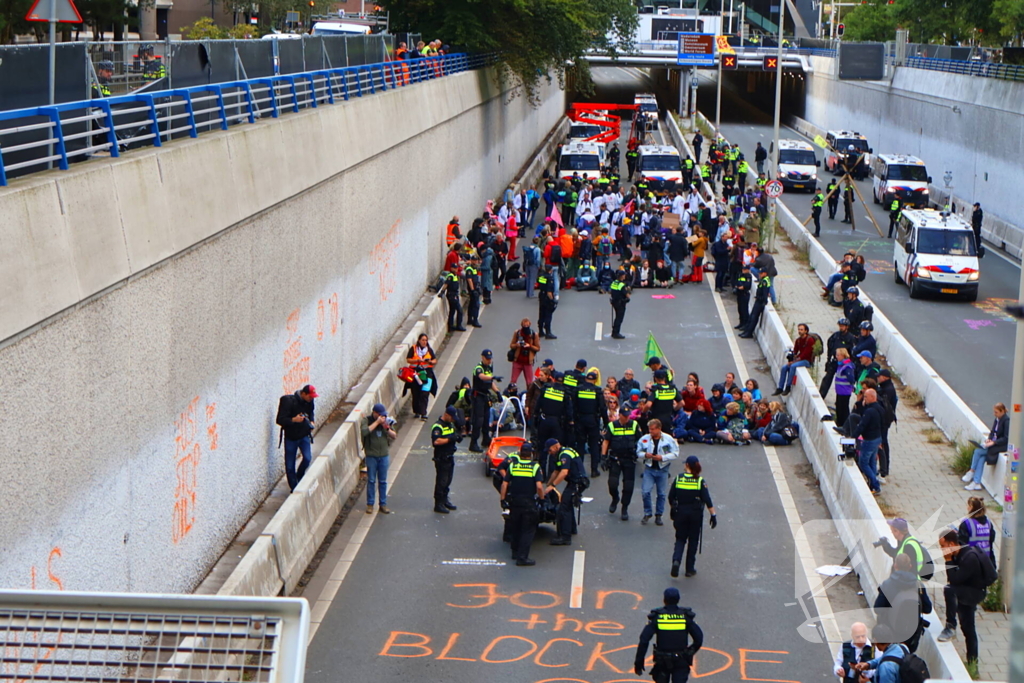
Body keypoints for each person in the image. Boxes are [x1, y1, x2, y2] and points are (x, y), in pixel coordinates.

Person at [937, 528, 995, 665]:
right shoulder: (959, 552)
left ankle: (950, 627)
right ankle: (972, 663)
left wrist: (948, 560)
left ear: (951, 545)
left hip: (975, 592)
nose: (942, 550)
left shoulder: (969, 557)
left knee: (949, 590)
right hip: (965, 589)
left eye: (943, 546)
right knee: (968, 628)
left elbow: (954, 580)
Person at [633, 587, 703, 683]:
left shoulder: (658, 617)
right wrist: (688, 653)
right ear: (678, 599)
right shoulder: (685, 617)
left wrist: (639, 662)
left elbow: (644, 640)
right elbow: (699, 639)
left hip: (662, 661)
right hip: (681, 661)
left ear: (664, 600)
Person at [667, 456, 716, 578]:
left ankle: (676, 560)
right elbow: (707, 499)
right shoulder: (699, 481)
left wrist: (674, 507)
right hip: (695, 514)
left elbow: (670, 496)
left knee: (680, 539)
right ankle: (689, 568)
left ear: (688, 465)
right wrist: (713, 515)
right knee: (693, 541)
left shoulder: (678, 478)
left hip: (680, 513)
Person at [500, 442, 545, 566]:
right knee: (528, 530)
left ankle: (514, 552)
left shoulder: (513, 466)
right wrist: (542, 499)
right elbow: (539, 486)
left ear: (520, 453)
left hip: (515, 502)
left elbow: (505, 484)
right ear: (531, 454)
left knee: (516, 527)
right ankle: (522, 557)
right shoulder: (535, 467)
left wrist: (503, 499)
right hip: (528, 503)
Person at [874, 554, 924, 650]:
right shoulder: (918, 585)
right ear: (910, 566)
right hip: (911, 635)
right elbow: (927, 608)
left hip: (890, 633)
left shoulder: (887, 584)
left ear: (895, 565)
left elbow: (877, 609)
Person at [275, 384, 317, 491]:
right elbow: (280, 420)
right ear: (303, 394)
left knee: (307, 458)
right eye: (309, 396)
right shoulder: (288, 402)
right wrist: (293, 420)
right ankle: (294, 488)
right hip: (291, 437)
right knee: (290, 466)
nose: (311, 399)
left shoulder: (309, 401)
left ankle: (299, 477)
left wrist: (311, 421)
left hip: (304, 435)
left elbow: (311, 412)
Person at [545, 439, 587, 545]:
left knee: (564, 508)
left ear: (555, 447)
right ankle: (572, 528)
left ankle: (565, 537)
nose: (549, 453)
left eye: (550, 450)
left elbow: (564, 472)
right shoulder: (560, 454)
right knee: (567, 504)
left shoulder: (564, 455)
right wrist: (548, 484)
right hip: (575, 481)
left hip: (577, 482)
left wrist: (553, 485)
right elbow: (556, 471)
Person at [637, 418, 678, 526]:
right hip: (649, 469)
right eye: (649, 429)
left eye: (652, 429)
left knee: (661, 494)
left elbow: (675, 453)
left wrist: (662, 457)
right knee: (645, 492)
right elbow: (638, 452)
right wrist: (645, 455)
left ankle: (659, 515)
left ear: (659, 429)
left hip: (663, 470)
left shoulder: (668, 439)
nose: (650, 431)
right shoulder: (644, 439)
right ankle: (647, 513)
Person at [604, 407, 641, 521]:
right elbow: (606, 441)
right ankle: (615, 498)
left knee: (628, 486)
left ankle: (624, 507)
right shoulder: (612, 426)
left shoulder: (634, 425)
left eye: (628, 415)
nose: (627, 418)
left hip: (629, 459)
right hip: (616, 458)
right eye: (624, 416)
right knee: (612, 483)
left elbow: (641, 440)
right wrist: (603, 456)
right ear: (619, 415)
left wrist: (639, 452)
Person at [963, 402, 1009, 491]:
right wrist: (989, 439)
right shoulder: (997, 419)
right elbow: (992, 432)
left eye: (996, 412)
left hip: (1000, 446)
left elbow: (1006, 438)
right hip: (993, 443)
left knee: (978, 451)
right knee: (981, 459)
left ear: (1002, 411)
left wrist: (994, 442)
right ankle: (976, 482)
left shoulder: (1006, 421)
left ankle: (971, 471)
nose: (994, 414)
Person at [361, 403, 396, 514]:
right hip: (371, 455)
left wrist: (387, 428)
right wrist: (377, 423)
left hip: (384, 455)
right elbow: (364, 432)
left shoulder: (386, 421)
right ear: (375, 413)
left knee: (383, 481)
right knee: (371, 480)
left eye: (383, 415)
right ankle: (370, 504)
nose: (382, 417)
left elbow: (394, 435)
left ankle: (383, 503)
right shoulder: (366, 420)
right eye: (380, 415)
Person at [430, 406, 462, 513]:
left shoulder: (450, 425)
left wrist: (457, 436)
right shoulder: (438, 426)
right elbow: (436, 441)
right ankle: (438, 503)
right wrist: (449, 439)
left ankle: (445, 500)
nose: (453, 420)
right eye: (452, 418)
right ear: (446, 415)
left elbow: (454, 434)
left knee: (448, 480)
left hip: (450, 456)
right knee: (441, 481)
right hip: (441, 457)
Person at [576, 371, 607, 477]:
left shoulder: (578, 389)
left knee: (580, 445)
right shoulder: (597, 391)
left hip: (580, 420)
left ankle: (579, 470)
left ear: (586, 379)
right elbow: (602, 408)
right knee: (593, 445)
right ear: (595, 380)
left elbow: (573, 405)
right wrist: (606, 423)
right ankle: (594, 470)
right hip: (593, 420)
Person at [853, 388, 884, 495]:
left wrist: (853, 437)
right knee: (872, 462)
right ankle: (872, 483)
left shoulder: (870, 411)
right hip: (877, 438)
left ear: (872, 397)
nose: (864, 399)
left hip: (869, 440)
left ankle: (875, 485)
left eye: (866, 397)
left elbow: (862, 425)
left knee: (863, 463)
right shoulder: (879, 408)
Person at [469, 350, 500, 452]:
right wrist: (492, 377)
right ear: (482, 357)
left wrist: (497, 392)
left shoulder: (489, 367)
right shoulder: (478, 368)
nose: (489, 360)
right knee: (478, 420)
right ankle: (473, 443)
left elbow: (490, 383)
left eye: (490, 358)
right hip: (478, 396)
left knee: (486, 420)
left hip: (485, 396)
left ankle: (486, 439)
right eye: (487, 358)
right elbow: (481, 377)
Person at [773, 323, 815, 396]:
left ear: (806, 331)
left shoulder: (810, 340)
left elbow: (805, 354)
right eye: (799, 329)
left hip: (807, 361)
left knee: (793, 366)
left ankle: (788, 386)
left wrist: (794, 361)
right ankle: (780, 388)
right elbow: (795, 351)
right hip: (799, 359)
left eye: (801, 330)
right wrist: (791, 358)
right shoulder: (798, 340)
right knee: (784, 368)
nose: (799, 331)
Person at [958, 496, 997, 569]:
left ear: (972, 508)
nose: (967, 508)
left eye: (969, 506)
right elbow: (991, 539)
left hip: (971, 560)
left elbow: (962, 542)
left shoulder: (967, 523)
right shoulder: (988, 523)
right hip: (986, 559)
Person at [820, 318, 856, 397]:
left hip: (844, 363)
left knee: (842, 381)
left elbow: (853, 352)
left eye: (843, 326)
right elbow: (830, 345)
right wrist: (828, 359)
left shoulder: (851, 338)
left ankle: (840, 398)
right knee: (827, 378)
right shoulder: (835, 335)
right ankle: (822, 394)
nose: (841, 327)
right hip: (835, 360)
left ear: (847, 327)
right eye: (840, 326)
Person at [406, 334, 437, 420]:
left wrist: (430, 362)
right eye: (423, 340)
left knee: (425, 393)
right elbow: (408, 359)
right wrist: (417, 360)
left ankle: (423, 413)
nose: (424, 342)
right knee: (416, 393)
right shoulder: (413, 348)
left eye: (426, 340)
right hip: (415, 374)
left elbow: (435, 360)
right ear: (419, 340)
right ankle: (417, 411)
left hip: (427, 375)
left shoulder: (429, 350)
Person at [876, 369, 898, 482]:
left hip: (884, 420)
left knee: (883, 442)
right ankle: (884, 467)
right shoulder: (885, 388)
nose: (877, 378)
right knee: (883, 442)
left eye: (879, 377)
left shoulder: (888, 390)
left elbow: (884, 405)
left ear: (885, 377)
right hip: (885, 419)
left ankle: (885, 468)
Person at [738, 269, 771, 338]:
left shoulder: (765, 281)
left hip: (760, 302)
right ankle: (746, 331)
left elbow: (765, 294)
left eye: (761, 274)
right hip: (758, 300)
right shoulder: (763, 280)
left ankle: (749, 333)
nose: (759, 275)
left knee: (754, 318)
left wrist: (763, 301)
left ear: (765, 273)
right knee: (751, 317)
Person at [509, 318, 541, 385]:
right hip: (517, 361)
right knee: (513, 381)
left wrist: (529, 346)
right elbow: (511, 345)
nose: (526, 327)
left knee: (529, 383)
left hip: (528, 362)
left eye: (527, 325)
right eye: (524, 325)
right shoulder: (517, 333)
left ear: (529, 325)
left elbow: (538, 348)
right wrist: (517, 345)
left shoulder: (534, 334)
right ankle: (512, 394)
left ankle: (528, 394)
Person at [441, 267, 465, 332]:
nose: (456, 269)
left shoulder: (455, 276)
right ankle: (458, 325)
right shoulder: (450, 276)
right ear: (451, 269)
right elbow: (446, 284)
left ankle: (451, 327)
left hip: (454, 294)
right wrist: (442, 292)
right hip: (452, 295)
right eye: (454, 268)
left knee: (452, 311)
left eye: (456, 268)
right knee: (459, 310)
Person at [538, 264, 558, 339]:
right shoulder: (550, 278)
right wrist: (552, 300)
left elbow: (540, 284)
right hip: (546, 297)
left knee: (541, 313)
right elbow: (549, 291)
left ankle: (540, 331)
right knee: (548, 315)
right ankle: (548, 332)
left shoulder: (541, 276)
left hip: (541, 295)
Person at [610, 269, 631, 339]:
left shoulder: (614, 282)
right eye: (624, 275)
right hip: (620, 303)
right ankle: (616, 333)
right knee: (619, 318)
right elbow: (627, 295)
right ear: (621, 276)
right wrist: (628, 290)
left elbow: (611, 291)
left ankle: (614, 332)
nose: (624, 276)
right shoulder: (621, 285)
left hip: (614, 302)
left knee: (617, 317)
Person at [465, 254, 482, 328]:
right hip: (473, 289)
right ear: (471, 261)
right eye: (474, 260)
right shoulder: (469, 269)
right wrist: (472, 290)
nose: (475, 262)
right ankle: (475, 320)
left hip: (476, 288)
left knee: (472, 304)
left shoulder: (475, 268)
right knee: (476, 305)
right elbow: (469, 279)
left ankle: (470, 319)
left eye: (476, 260)